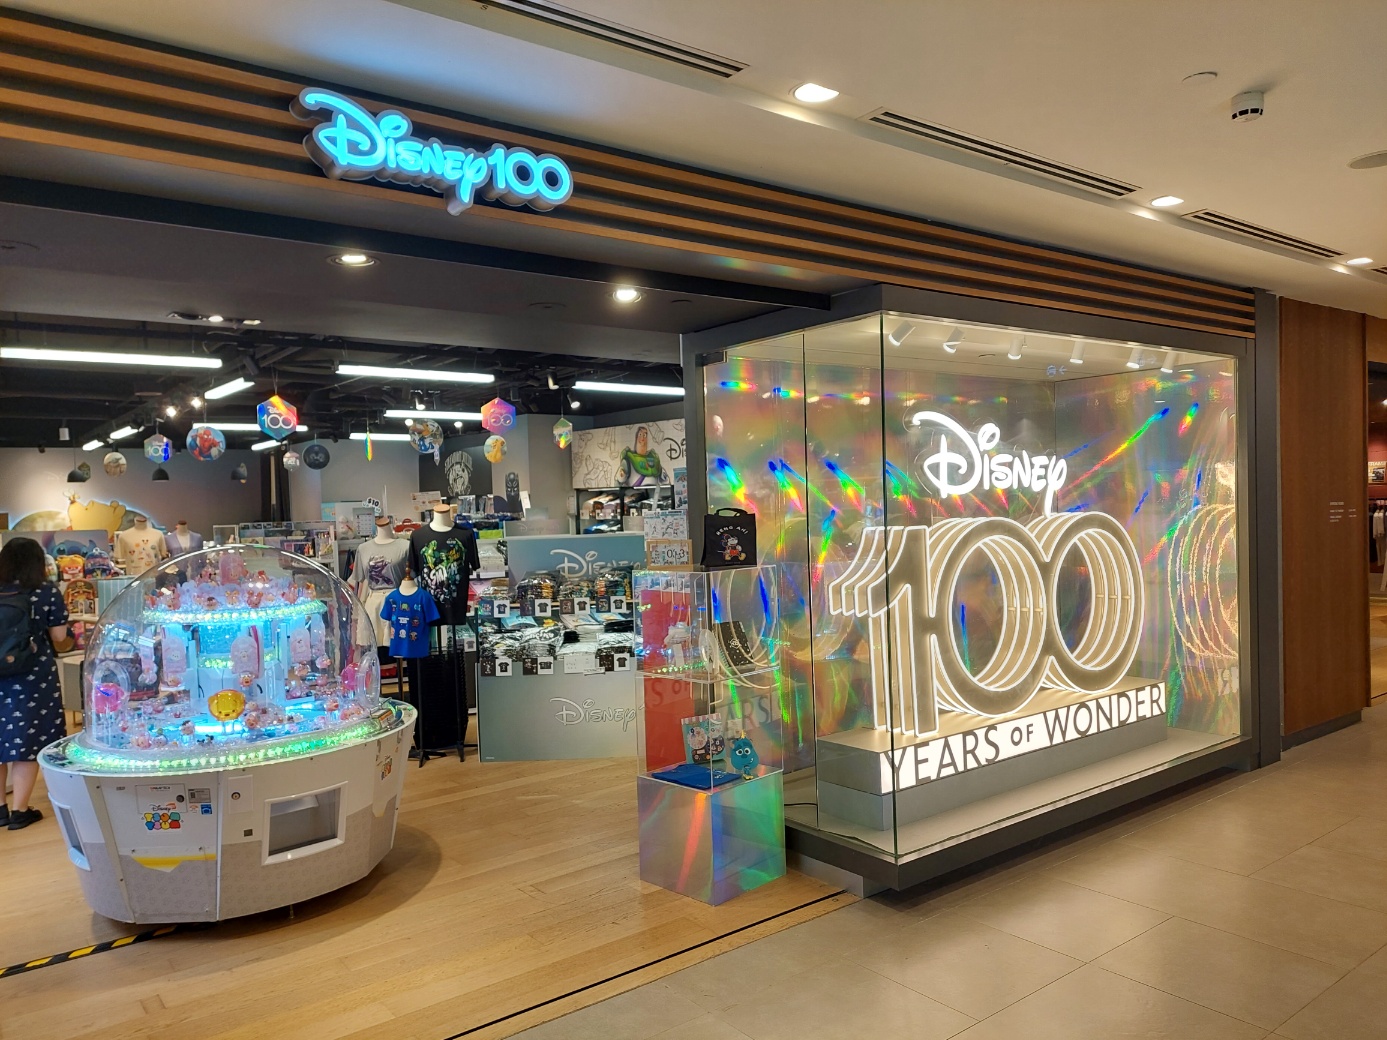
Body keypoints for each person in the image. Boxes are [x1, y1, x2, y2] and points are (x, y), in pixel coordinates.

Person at [0, 537, 69, 830]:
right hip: (33, 676)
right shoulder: (46, 591)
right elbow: (59, 637)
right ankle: (20, 810)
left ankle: (0, 810)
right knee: (28, 738)